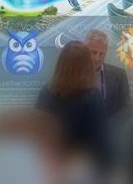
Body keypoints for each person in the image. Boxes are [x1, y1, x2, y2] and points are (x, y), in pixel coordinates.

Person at [35, 41, 110, 172]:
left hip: (52, 167)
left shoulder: (46, 91)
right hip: (82, 169)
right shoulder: (92, 96)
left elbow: (38, 132)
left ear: (61, 63)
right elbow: (101, 142)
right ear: (87, 65)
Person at [85, 29, 132, 123]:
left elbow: (128, 107)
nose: (97, 58)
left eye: (101, 54)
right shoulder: (73, 74)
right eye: (93, 52)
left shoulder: (119, 75)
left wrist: (109, 126)